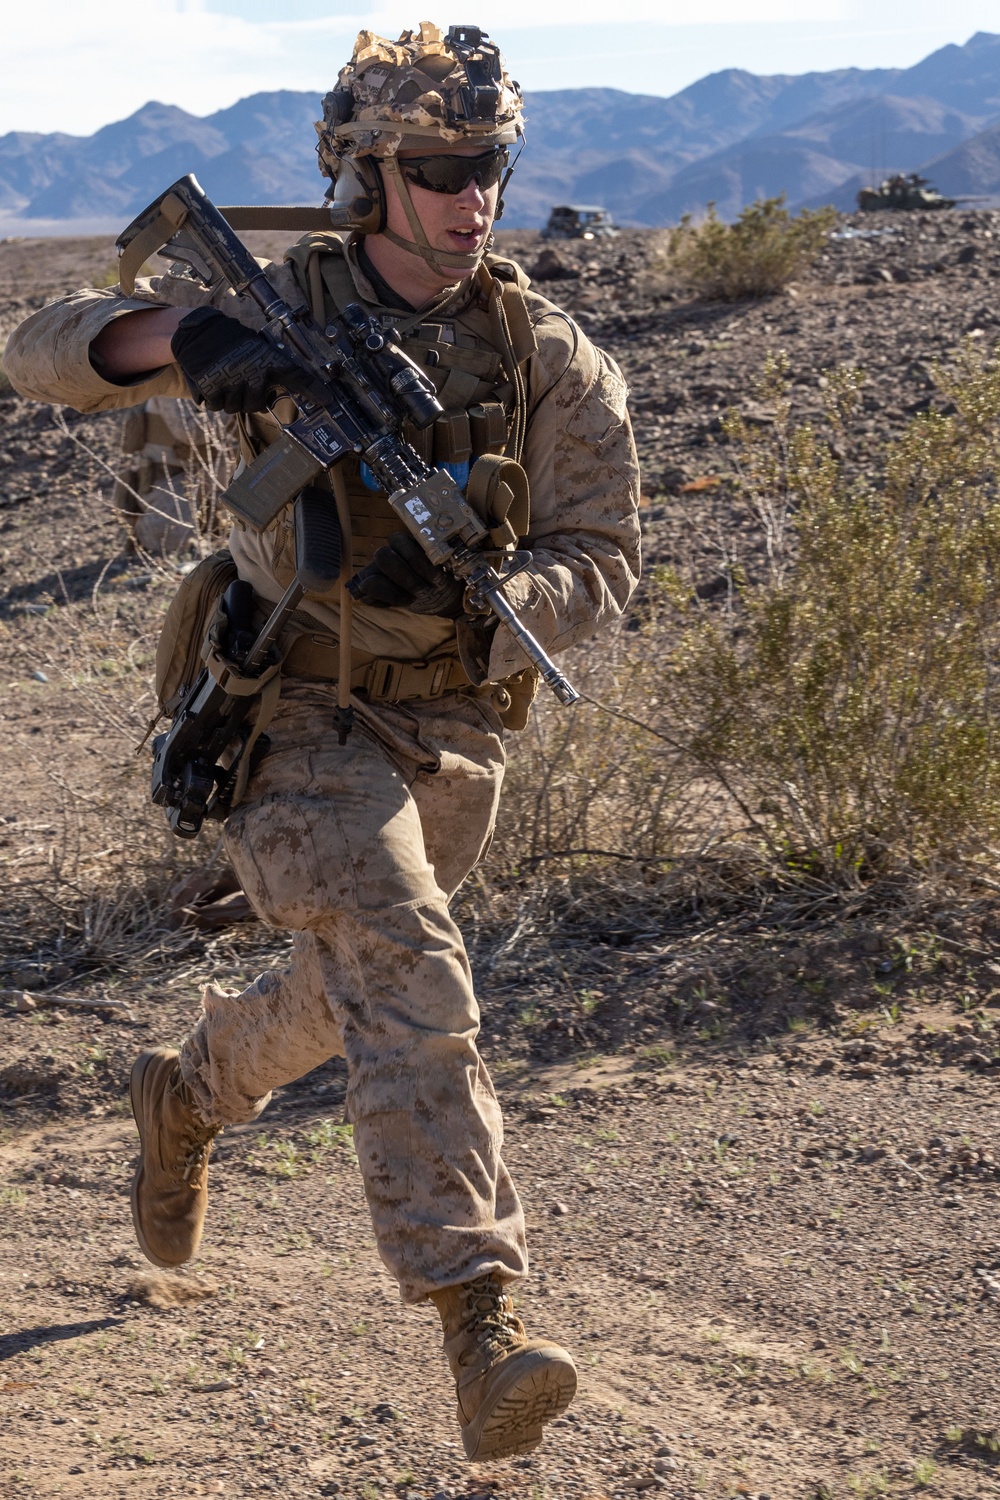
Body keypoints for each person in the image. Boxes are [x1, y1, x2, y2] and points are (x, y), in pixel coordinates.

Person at [4, 21, 640, 1462]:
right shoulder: (284, 305)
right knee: (410, 961)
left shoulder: (549, 356)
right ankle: (480, 1317)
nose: (471, 194)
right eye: (436, 168)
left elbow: (604, 556)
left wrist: (498, 606)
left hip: (450, 723)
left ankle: (192, 1088)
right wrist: (180, 337)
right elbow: (34, 354)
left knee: (350, 989)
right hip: (288, 710)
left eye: (487, 164)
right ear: (366, 174)